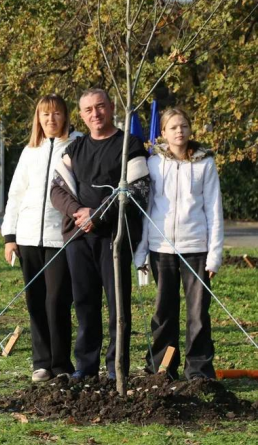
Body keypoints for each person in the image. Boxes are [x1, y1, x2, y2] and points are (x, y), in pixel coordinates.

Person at [50, 88, 150, 381]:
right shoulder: (75, 149)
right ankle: (86, 366)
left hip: (114, 239)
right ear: (81, 115)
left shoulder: (128, 145)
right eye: (88, 110)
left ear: (111, 107)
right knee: (84, 303)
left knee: (117, 305)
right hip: (79, 238)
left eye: (100, 107)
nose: (95, 114)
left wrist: (98, 215)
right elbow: (56, 188)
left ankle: (115, 367)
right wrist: (77, 212)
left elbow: (138, 190)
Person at [134, 108, 223, 380]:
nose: (179, 131)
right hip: (162, 250)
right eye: (173, 127)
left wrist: (214, 256)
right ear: (163, 133)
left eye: (183, 125)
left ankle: (198, 370)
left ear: (190, 129)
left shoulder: (204, 163)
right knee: (164, 312)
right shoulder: (153, 164)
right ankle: (162, 367)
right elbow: (147, 210)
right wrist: (141, 254)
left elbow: (214, 210)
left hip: (196, 248)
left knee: (198, 314)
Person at [1, 94, 78, 381]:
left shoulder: (76, 145)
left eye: (56, 113)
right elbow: (16, 194)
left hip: (61, 237)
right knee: (35, 301)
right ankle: (41, 362)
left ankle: (61, 364)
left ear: (65, 116)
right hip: (29, 236)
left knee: (57, 300)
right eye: (45, 114)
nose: (50, 119)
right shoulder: (29, 151)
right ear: (38, 119)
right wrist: (10, 236)